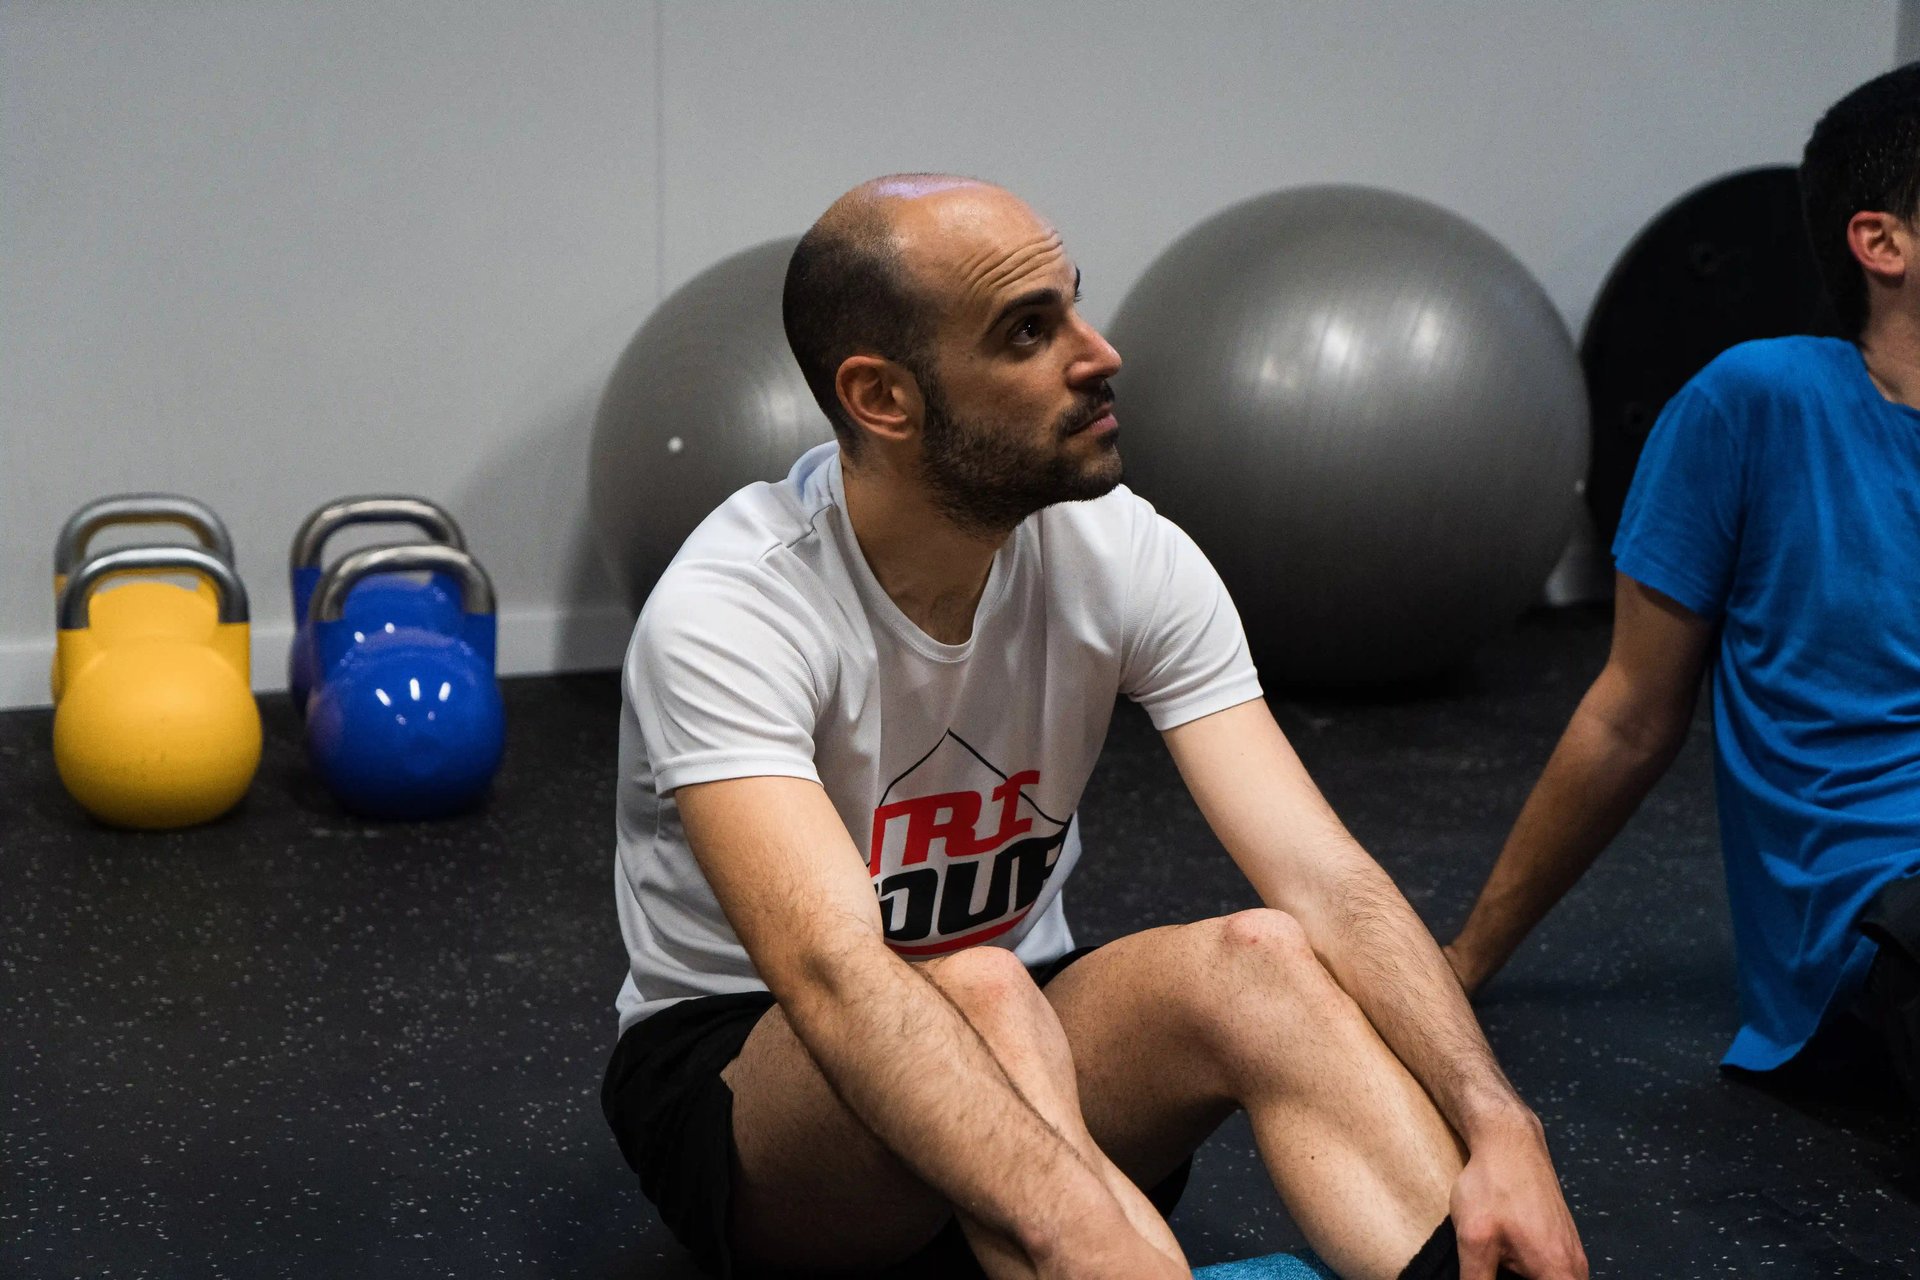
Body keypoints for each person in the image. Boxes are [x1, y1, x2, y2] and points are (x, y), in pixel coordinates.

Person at [601, 173, 1587, 1280]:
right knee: (974, 986)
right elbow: (835, 976)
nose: (1099, 350)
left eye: (1072, 302)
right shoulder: (734, 608)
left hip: (1038, 1036)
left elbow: (1326, 878)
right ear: (882, 397)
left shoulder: (1119, 552)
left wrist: (1500, 1119)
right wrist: (1084, 1215)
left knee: (1261, 958)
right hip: (761, 1092)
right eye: (1029, 332)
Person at [1444, 63, 1920, 1106]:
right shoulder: (1761, 402)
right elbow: (1628, 715)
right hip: (1876, 914)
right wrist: (1462, 961)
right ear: (1884, 242)